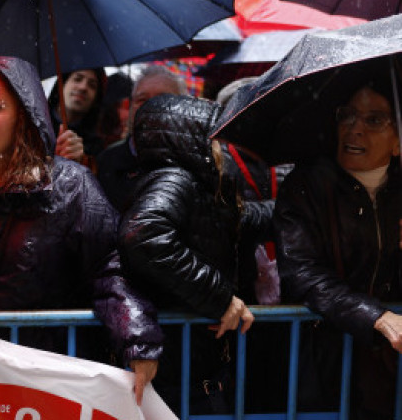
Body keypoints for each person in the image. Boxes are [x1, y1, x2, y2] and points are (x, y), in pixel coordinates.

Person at [0, 56, 162, 406]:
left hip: (51, 379)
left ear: (24, 115)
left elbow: (110, 266)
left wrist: (137, 339)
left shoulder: (72, 186)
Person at [118, 94, 254, 414]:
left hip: (186, 363)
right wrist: (220, 297)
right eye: (216, 138)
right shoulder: (175, 180)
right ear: (193, 141)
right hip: (176, 367)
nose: (224, 149)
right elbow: (142, 235)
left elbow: (235, 221)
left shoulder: (189, 185)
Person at [274, 80, 402, 418]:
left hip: (390, 372)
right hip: (322, 363)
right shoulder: (306, 186)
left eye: (374, 120)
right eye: (347, 116)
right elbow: (301, 273)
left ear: (398, 141)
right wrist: (374, 317)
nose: (355, 129)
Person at [96, 65, 187, 212]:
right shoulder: (105, 162)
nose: (150, 106)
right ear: (131, 106)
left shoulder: (195, 165)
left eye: (163, 98)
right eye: (142, 99)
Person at [46, 68, 107, 163]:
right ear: (62, 84)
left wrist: (81, 163)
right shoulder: (32, 124)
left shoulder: (96, 147)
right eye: (77, 79)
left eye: (92, 85)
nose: (83, 87)